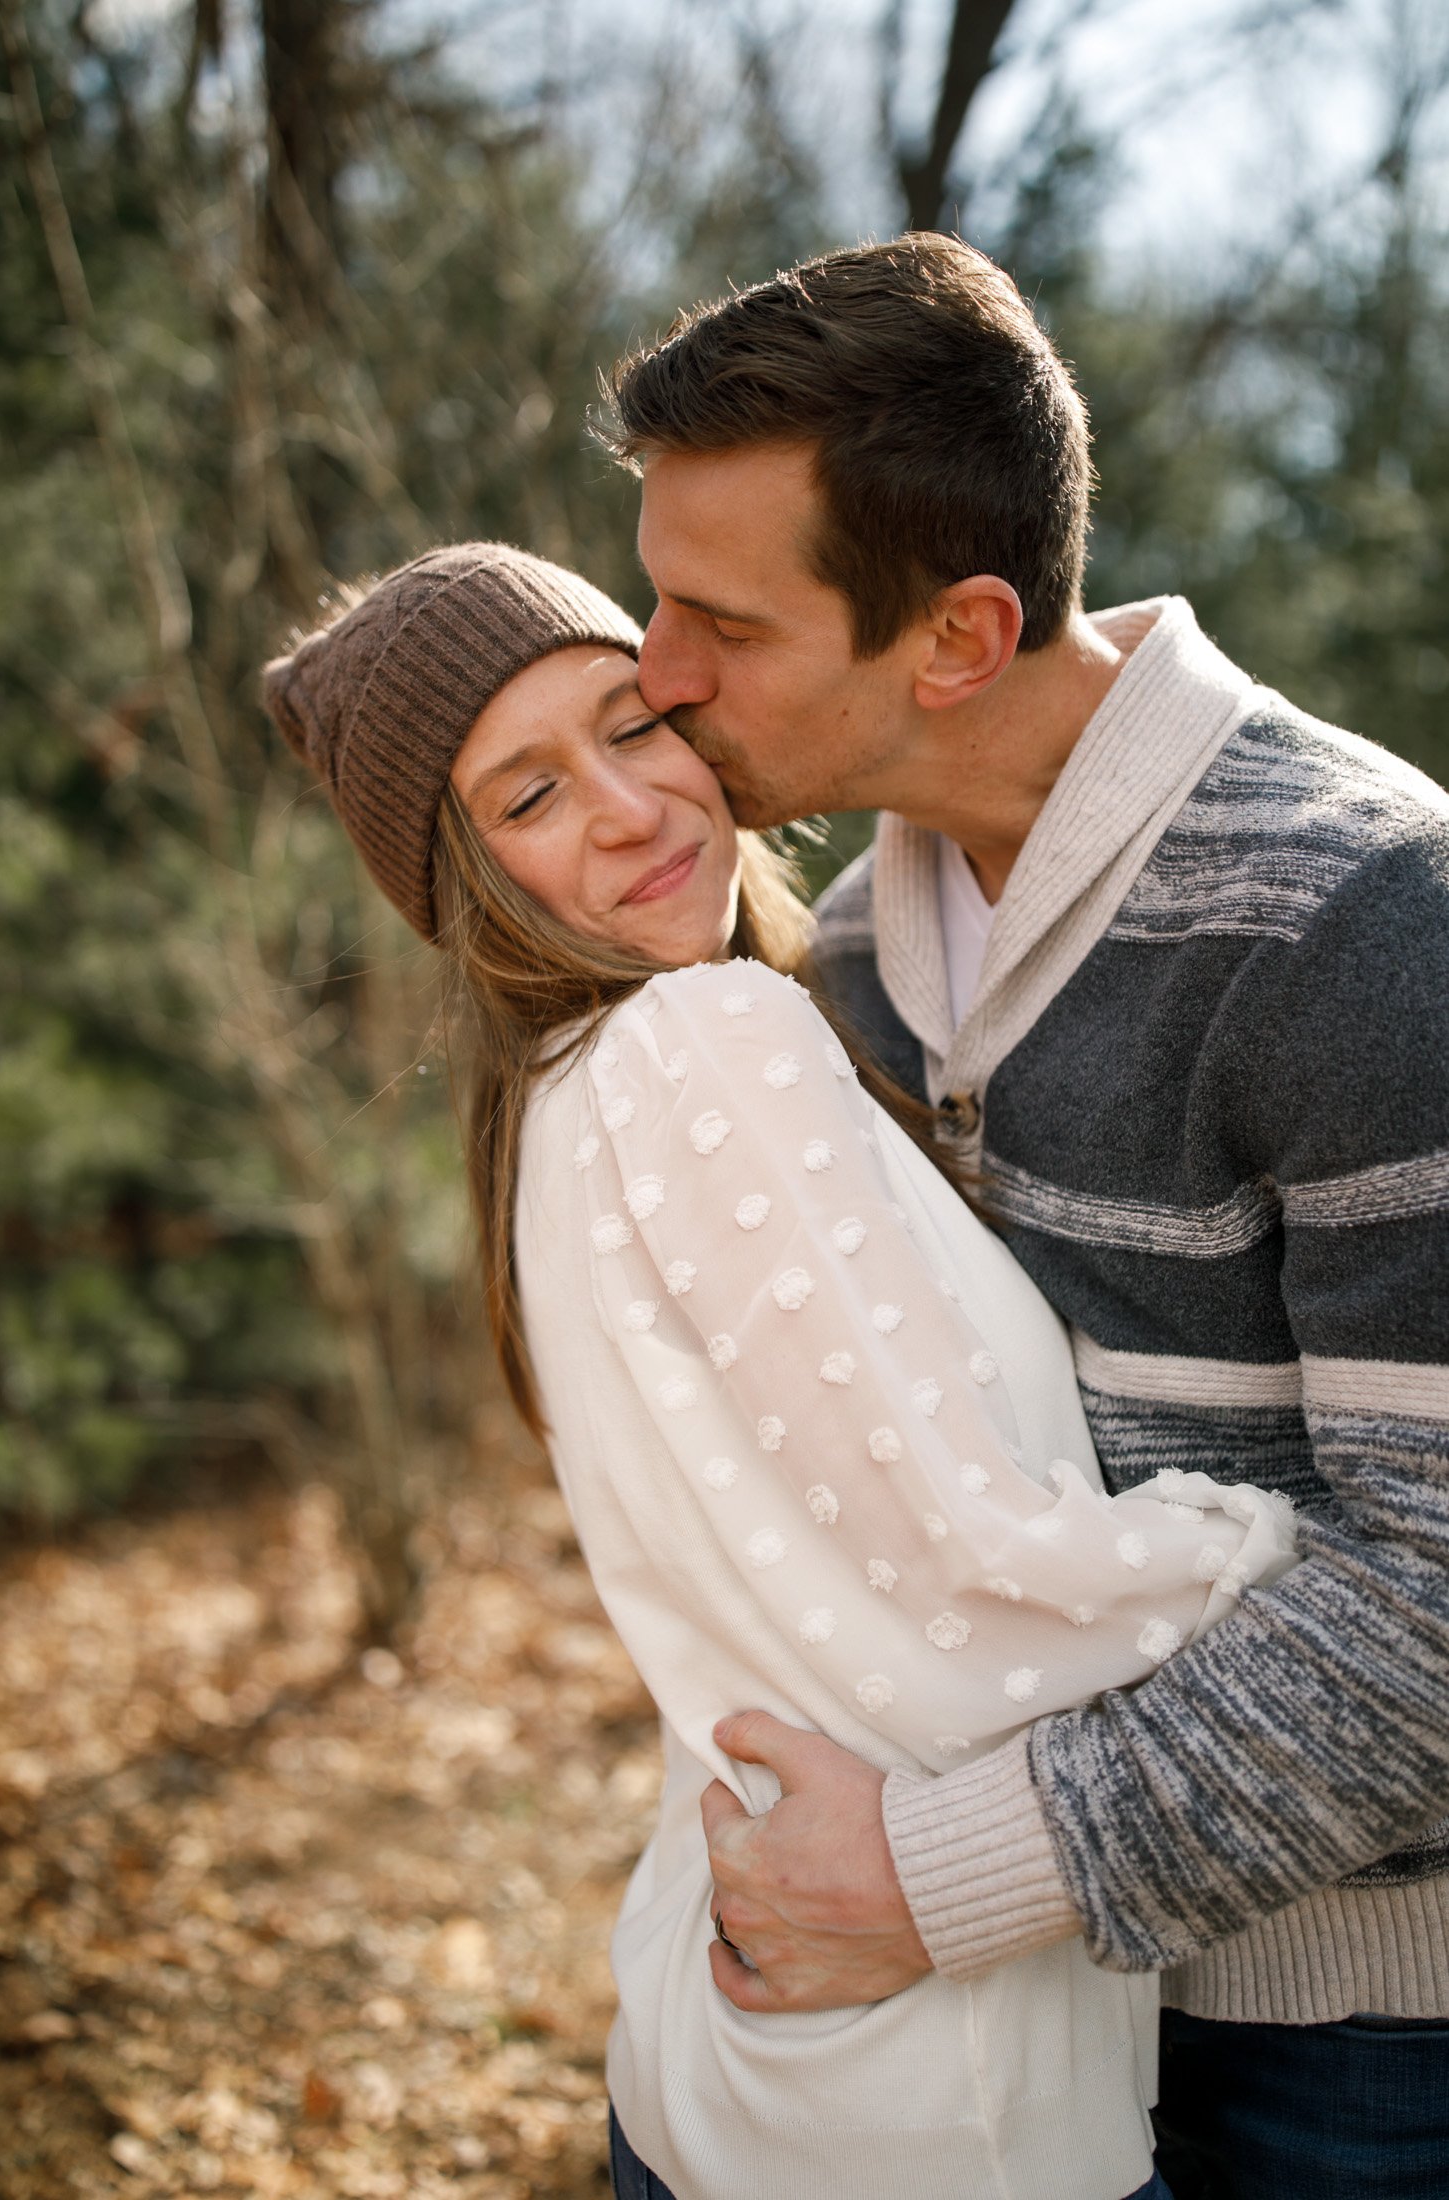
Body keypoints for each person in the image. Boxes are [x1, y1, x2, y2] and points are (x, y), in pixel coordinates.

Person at [262, 541, 1299, 2200]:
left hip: (751, 2058)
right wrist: (1302, 1551)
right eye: (527, 798)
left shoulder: (572, 1086)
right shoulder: (704, 1047)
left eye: (632, 724)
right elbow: (990, 1583)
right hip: (928, 2107)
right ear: (461, 881)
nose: (624, 807)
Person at [598, 231, 1449, 2197]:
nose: (652, 677)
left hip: (1346, 2046)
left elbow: (1435, 1588)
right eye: (654, 595)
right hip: (1004, 2001)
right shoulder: (855, 948)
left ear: (957, 638)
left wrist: (938, 1871)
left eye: (719, 622)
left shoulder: (1362, 919)